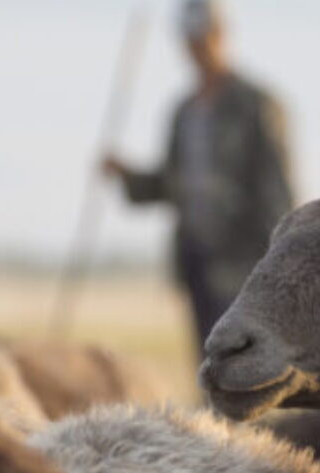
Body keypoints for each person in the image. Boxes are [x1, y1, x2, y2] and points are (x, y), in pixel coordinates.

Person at [103, 0, 295, 356]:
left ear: (222, 35)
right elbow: (171, 185)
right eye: (191, 41)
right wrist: (125, 175)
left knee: (247, 366)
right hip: (196, 262)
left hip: (243, 267)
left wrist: (277, 268)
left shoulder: (256, 104)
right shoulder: (184, 111)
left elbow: (278, 194)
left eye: (205, 38)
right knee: (209, 364)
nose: (198, 49)